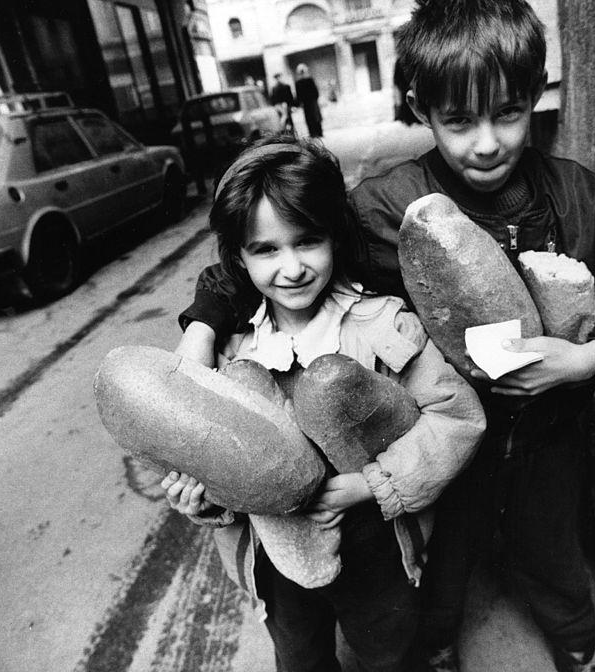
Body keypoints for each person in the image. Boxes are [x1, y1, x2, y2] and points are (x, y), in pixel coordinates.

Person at [174, 1, 595, 670]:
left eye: (507, 113)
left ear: (534, 93)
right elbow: (272, 260)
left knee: (553, 553)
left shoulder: (578, 198)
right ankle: (437, 648)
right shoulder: (388, 206)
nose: (486, 143)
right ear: (420, 106)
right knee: (441, 565)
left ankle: (576, 649)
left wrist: (587, 358)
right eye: (458, 120)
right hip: (442, 435)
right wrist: (202, 329)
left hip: (549, 432)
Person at [165, 136, 486, 672]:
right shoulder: (230, 355)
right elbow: (218, 467)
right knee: (299, 657)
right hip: (277, 559)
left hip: (375, 545)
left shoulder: (384, 324)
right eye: (266, 250)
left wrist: (372, 484)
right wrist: (202, 498)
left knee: (389, 649)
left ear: (335, 237)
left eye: (307, 241)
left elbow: (457, 419)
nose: (291, 268)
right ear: (239, 259)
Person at [294, 63, 323, 138]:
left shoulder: (307, 80)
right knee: (311, 117)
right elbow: (299, 94)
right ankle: (315, 132)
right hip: (308, 102)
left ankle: (317, 132)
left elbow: (315, 91)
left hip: (310, 102)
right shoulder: (302, 82)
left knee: (314, 117)